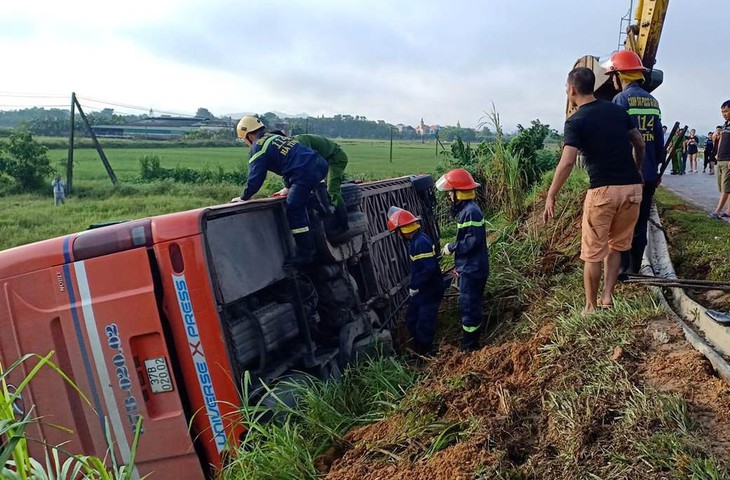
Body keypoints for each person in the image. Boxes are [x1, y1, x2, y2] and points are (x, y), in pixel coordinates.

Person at [543, 67, 645, 314]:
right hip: (631, 189)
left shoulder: (576, 120)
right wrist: (637, 170)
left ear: (572, 90)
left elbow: (567, 162)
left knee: (593, 252)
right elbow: (639, 143)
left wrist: (551, 194)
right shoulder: (618, 110)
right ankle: (607, 297)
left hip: (602, 191)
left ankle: (590, 306)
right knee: (617, 246)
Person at [234, 116, 328, 264]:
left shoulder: (258, 147)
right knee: (305, 196)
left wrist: (244, 197)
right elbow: (289, 162)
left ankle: (306, 253)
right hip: (319, 164)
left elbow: (255, 178)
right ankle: (326, 213)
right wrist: (288, 187)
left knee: (293, 207)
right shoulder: (275, 137)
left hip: (304, 173)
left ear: (249, 135)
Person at [604, 49, 665, 275]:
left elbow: (616, 139)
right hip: (648, 173)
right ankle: (635, 267)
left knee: (622, 223)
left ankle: (621, 270)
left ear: (621, 75)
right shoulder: (653, 101)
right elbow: (658, 141)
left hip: (627, 175)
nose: (612, 80)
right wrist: (656, 168)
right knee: (640, 222)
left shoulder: (620, 99)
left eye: (613, 75)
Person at [436, 168, 490, 351]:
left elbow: (471, 241)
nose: (449, 197)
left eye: (450, 193)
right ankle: (471, 340)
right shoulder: (468, 210)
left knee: (469, 306)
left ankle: (470, 346)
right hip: (472, 266)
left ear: (459, 192)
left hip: (472, 269)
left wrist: (452, 247)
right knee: (471, 304)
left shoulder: (470, 212)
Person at [387, 206, 445, 355]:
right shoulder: (416, 241)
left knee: (424, 325)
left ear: (403, 230)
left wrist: (416, 285)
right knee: (411, 318)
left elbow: (428, 269)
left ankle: (426, 354)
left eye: (397, 232)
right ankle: (416, 348)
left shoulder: (420, 243)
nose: (397, 236)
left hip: (430, 290)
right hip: (423, 289)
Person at [293, 134, 350, 233]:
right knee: (321, 186)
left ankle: (343, 224)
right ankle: (329, 211)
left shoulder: (300, 140)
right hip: (327, 159)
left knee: (332, 190)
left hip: (336, 158)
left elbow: (308, 160)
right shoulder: (296, 141)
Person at [709, 101, 730, 219]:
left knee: (725, 187)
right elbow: (720, 141)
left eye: (726, 111)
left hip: (728, 160)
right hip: (720, 159)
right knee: (724, 187)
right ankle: (729, 210)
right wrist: (716, 152)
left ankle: (717, 212)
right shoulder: (724, 126)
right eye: (722, 112)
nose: (724, 114)